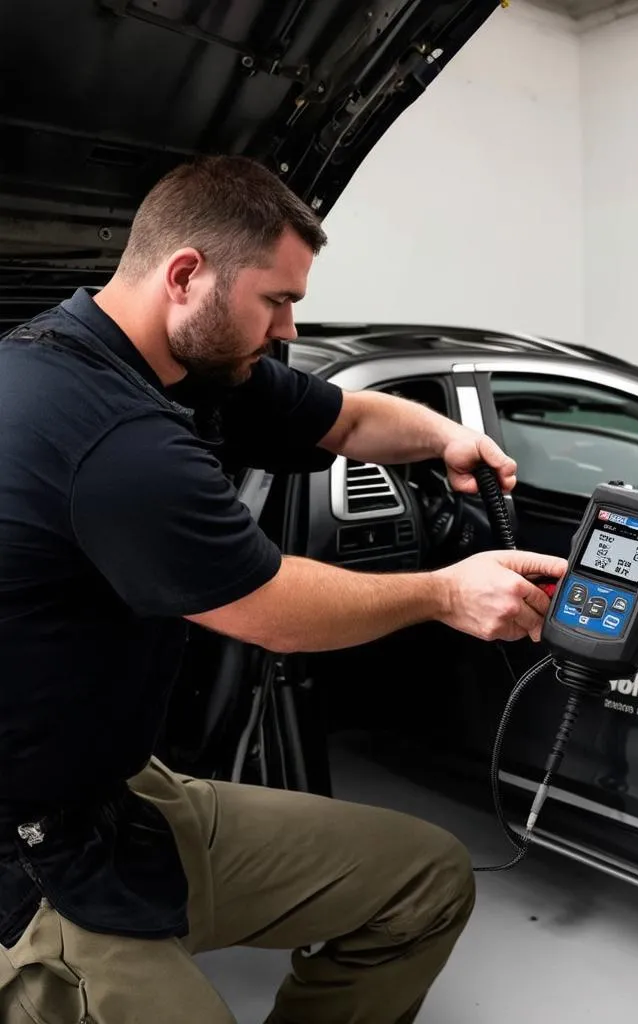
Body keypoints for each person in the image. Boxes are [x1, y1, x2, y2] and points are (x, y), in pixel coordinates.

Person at [0, 154, 568, 1024]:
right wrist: (445, 594)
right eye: (277, 300)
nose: (290, 329)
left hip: (116, 796)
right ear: (186, 274)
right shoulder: (110, 435)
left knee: (424, 878)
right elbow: (275, 611)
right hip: (25, 856)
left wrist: (448, 439)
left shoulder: (170, 364)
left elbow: (342, 417)